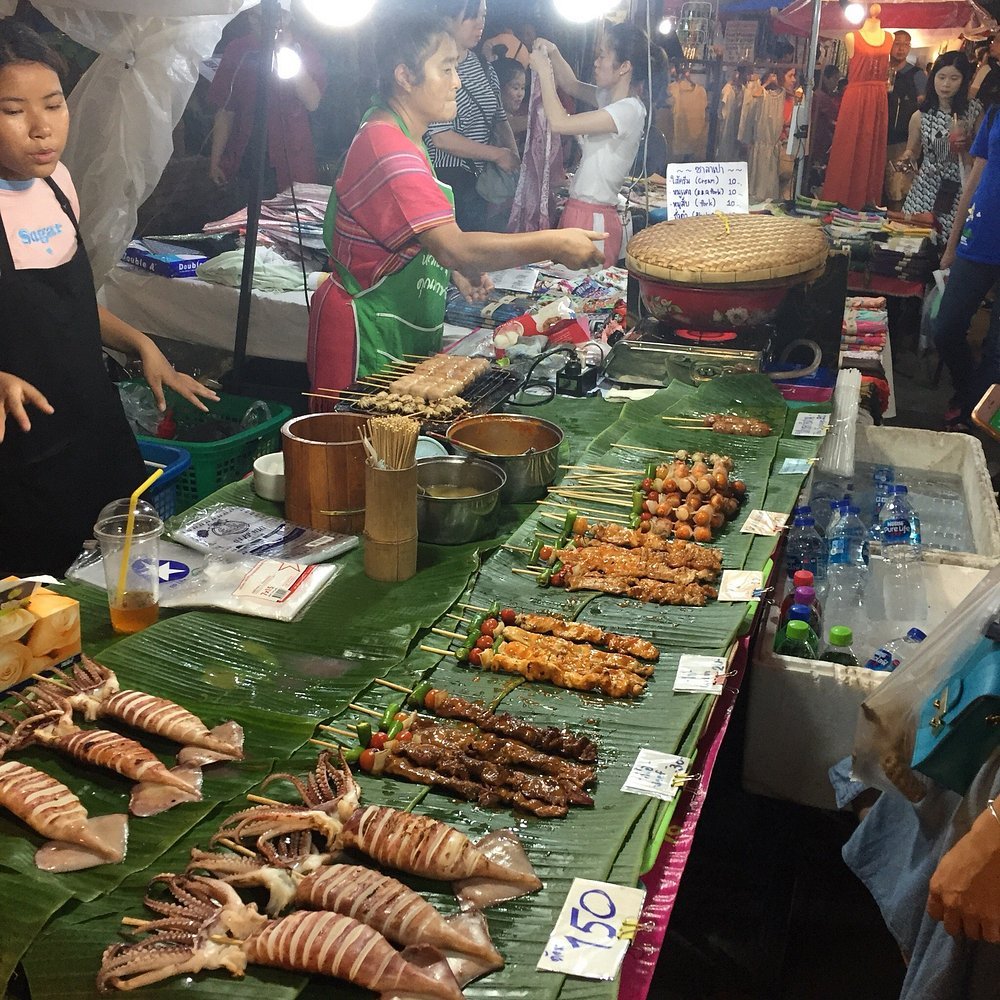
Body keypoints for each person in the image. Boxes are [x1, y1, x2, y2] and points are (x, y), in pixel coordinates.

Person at [0, 21, 216, 577]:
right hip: (19, 454)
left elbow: (66, 307)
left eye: (54, 104)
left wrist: (142, 344)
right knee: (40, 596)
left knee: (122, 573)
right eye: (13, 111)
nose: (42, 128)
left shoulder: (57, 184)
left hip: (92, 426)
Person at [306, 12, 603, 396]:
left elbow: (418, 236)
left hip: (394, 325)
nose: (457, 82)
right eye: (446, 69)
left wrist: (452, 270)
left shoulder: (404, 133)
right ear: (405, 76)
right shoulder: (387, 146)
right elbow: (453, 246)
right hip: (364, 334)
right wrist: (555, 243)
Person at [528, 23, 665, 267]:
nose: (596, 62)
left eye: (602, 55)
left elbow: (559, 122)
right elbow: (571, 84)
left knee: (585, 288)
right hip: (580, 210)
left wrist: (544, 73)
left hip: (594, 217)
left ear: (624, 67)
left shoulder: (629, 110)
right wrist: (554, 52)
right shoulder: (611, 101)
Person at [207, 0, 325, 203]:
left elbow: (312, 101)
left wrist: (286, 51)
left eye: (274, 17)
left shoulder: (304, 50)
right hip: (246, 158)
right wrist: (215, 160)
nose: (264, 24)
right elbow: (225, 110)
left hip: (292, 162)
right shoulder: (238, 50)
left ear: (288, 18)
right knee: (243, 216)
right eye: (256, 17)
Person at [934, 98, 1000, 430]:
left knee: (997, 351)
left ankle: (974, 422)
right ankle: (968, 393)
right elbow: (975, 178)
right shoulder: (996, 110)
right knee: (945, 327)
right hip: (980, 235)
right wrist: (952, 242)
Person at [425, 0, 519, 232]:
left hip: (481, 182)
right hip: (447, 178)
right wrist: (497, 154)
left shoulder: (483, 66)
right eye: (472, 16)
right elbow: (440, 137)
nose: (480, 24)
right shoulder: (433, 68)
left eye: (483, 16)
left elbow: (499, 118)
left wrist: (514, 158)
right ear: (447, 18)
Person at [898, 52, 980, 243]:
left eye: (954, 78)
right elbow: (913, 150)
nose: (945, 84)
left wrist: (968, 146)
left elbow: (984, 154)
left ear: (964, 81)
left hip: (959, 189)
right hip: (925, 188)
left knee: (950, 242)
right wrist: (906, 159)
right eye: (941, 77)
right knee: (914, 240)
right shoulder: (921, 115)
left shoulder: (973, 111)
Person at [823, 4, 894, 209]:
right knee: (848, 146)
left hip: (878, 98)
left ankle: (867, 203)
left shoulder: (889, 37)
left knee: (872, 150)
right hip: (856, 98)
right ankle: (840, 201)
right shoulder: (851, 37)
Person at [885, 30, 928, 210]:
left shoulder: (916, 74)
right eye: (897, 43)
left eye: (905, 44)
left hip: (903, 140)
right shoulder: (881, 70)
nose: (901, 48)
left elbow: (924, 103)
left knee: (898, 188)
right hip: (880, 136)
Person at [808, 64, 842, 193]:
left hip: (817, 141)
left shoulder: (819, 95)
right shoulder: (821, 97)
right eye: (835, 79)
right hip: (818, 142)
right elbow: (835, 117)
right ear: (826, 78)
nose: (836, 83)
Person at [493, 56, 527, 152]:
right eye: (515, 88)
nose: (520, 94)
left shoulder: (518, 113)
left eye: (523, 88)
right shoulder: (493, 116)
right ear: (499, 88)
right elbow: (509, 125)